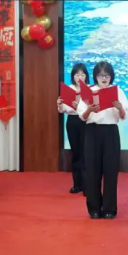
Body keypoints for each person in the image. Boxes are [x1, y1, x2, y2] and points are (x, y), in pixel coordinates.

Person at [77, 61, 128, 219]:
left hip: (110, 132)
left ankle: (109, 208)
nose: (104, 78)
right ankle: (94, 208)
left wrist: (119, 107)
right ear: (95, 76)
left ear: (111, 76)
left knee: (110, 170)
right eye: (101, 75)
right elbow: (82, 117)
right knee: (92, 170)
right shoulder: (89, 91)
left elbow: (123, 116)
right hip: (92, 132)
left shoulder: (117, 91)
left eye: (107, 75)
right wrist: (89, 109)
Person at [57, 63, 90, 195]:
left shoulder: (90, 89)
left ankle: (87, 185)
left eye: (82, 74)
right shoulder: (69, 89)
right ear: (73, 76)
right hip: (72, 121)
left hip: (86, 121)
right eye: (77, 74)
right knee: (76, 152)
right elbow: (62, 110)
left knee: (85, 153)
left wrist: (80, 107)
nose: (80, 77)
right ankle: (77, 184)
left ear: (86, 76)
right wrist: (59, 105)